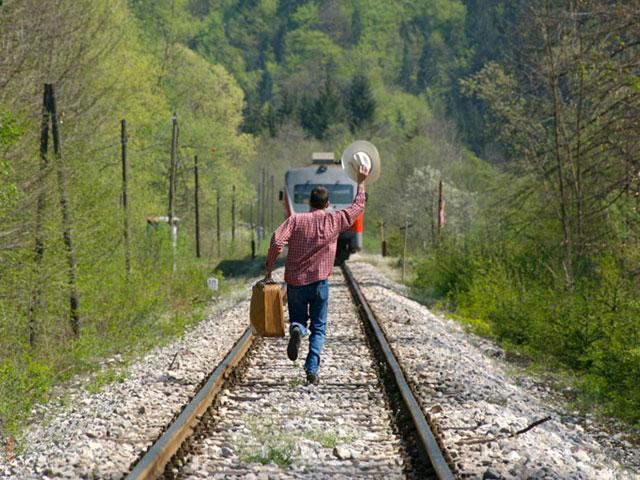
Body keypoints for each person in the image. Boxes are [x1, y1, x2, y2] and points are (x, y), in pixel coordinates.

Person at [263, 163, 370, 385]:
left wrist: (269, 269)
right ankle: (312, 369)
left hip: (295, 282)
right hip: (320, 282)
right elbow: (357, 207)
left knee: (299, 319)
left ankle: (296, 329)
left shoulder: (296, 220)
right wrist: (361, 181)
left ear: (309, 203)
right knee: (319, 329)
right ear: (327, 203)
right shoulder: (335, 219)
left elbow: (276, 241)